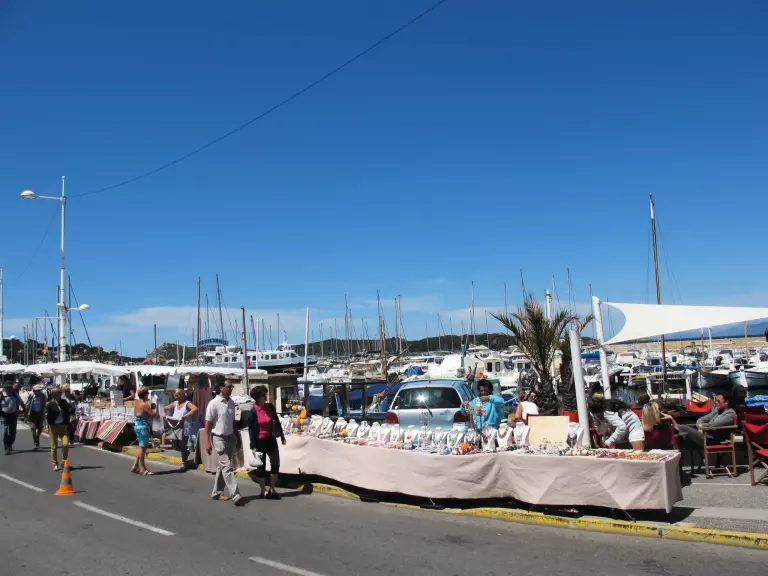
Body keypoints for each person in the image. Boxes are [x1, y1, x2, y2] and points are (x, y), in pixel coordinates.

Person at [205, 379, 243, 505]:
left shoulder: (231, 403)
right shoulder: (213, 403)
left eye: (232, 387)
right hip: (218, 438)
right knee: (227, 466)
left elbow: (233, 422)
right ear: (222, 388)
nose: (231, 389)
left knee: (223, 466)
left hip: (230, 436)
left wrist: (237, 437)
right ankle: (235, 493)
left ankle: (216, 492)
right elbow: (208, 424)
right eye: (229, 387)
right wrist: (207, 441)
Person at [248, 385, 286, 500]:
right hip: (260, 441)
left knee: (275, 463)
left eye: (265, 394)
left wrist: (282, 436)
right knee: (261, 467)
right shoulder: (253, 412)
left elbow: (277, 422)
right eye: (263, 395)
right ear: (258, 397)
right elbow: (251, 430)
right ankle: (263, 490)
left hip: (271, 439)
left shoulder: (270, 407)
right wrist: (253, 446)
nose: (266, 397)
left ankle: (272, 488)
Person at [163, 388, 198, 468]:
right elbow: (165, 408)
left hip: (184, 427)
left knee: (182, 444)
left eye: (177, 396)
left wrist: (186, 415)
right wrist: (163, 414)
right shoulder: (175, 403)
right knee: (175, 445)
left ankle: (184, 462)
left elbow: (195, 409)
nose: (176, 397)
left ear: (182, 395)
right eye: (175, 396)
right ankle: (185, 453)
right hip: (176, 427)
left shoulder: (187, 403)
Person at [131, 386, 156, 476]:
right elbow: (151, 413)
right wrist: (153, 408)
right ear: (145, 394)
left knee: (141, 447)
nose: (148, 395)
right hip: (143, 427)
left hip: (138, 426)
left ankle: (135, 465)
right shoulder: (144, 404)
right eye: (147, 393)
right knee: (143, 448)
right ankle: (142, 468)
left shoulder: (137, 402)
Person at [46, 388, 71, 471]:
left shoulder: (64, 402)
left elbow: (68, 411)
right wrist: (47, 426)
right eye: (57, 393)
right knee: (54, 446)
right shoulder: (50, 404)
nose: (59, 394)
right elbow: (46, 415)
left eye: (60, 393)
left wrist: (67, 423)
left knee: (65, 444)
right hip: (53, 426)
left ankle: (64, 462)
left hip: (63, 426)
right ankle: (55, 464)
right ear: (53, 395)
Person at [1, 382, 25, 455]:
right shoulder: (1, 395)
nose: (9, 389)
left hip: (13, 415)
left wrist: (25, 412)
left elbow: (22, 403)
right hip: (3, 415)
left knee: (12, 434)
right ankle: (6, 448)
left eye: (10, 387)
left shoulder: (15, 395)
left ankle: (9, 444)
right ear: (4, 388)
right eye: (7, 388)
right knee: (4, 432)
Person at [27, 385, 47, 450]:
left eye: (39, 390)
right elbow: (27, 404)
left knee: (40, 428)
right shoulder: (31, 396)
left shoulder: (43, 396)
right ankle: (35, 442)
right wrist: (26, 414)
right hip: (32, 414)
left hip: (40, 414)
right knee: (33, 429)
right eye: (36, 390)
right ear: (34, 391)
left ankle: (37, 437)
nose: (38, 392)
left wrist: (45, 412)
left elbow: (45, 404)